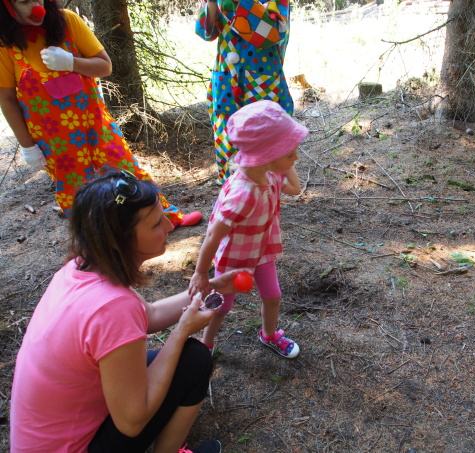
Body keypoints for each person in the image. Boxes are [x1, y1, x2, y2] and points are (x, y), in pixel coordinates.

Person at [9, 171, 238, 453]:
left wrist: (209, 287)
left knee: (178, 362)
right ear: (122, 239)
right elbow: (132, 422)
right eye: (156, 223)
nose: (169, 226)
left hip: (49, 439)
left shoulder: (80, 268)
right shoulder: (112, 307)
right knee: (194, 360)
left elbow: (150, 315)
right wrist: (181, 332)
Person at [0, 0, 201, 226]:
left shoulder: (68, 21)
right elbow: (6, 98)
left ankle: (164, 219)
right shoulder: (5, 44)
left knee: (128, 172)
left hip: (96, 124)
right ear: (8, 7)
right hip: (54, 140)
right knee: (77, 193)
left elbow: (105, 66)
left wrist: (71, 62)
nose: (36, 5)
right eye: (25, 1)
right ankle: (98, 241)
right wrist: (27, 146)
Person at [188, 100, 307, 359]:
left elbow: (295, 189)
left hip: (261, 250)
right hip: (235, 258)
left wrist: (285, 160)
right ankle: (205, 344)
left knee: (273, 295)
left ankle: (269, 334)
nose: (296, 158)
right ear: (266, 156)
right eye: (290, 153)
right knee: (221, 306)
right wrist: (201, 273)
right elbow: (213, 235)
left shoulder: (270, 174)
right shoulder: (243, 194)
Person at [195, 0, 294, 185]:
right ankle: (232, 195)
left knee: (263, 145)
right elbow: (205, 31)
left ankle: (266, 197)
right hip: (226, 81)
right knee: (228, 144)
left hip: (262, 82)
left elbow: (272, 34)